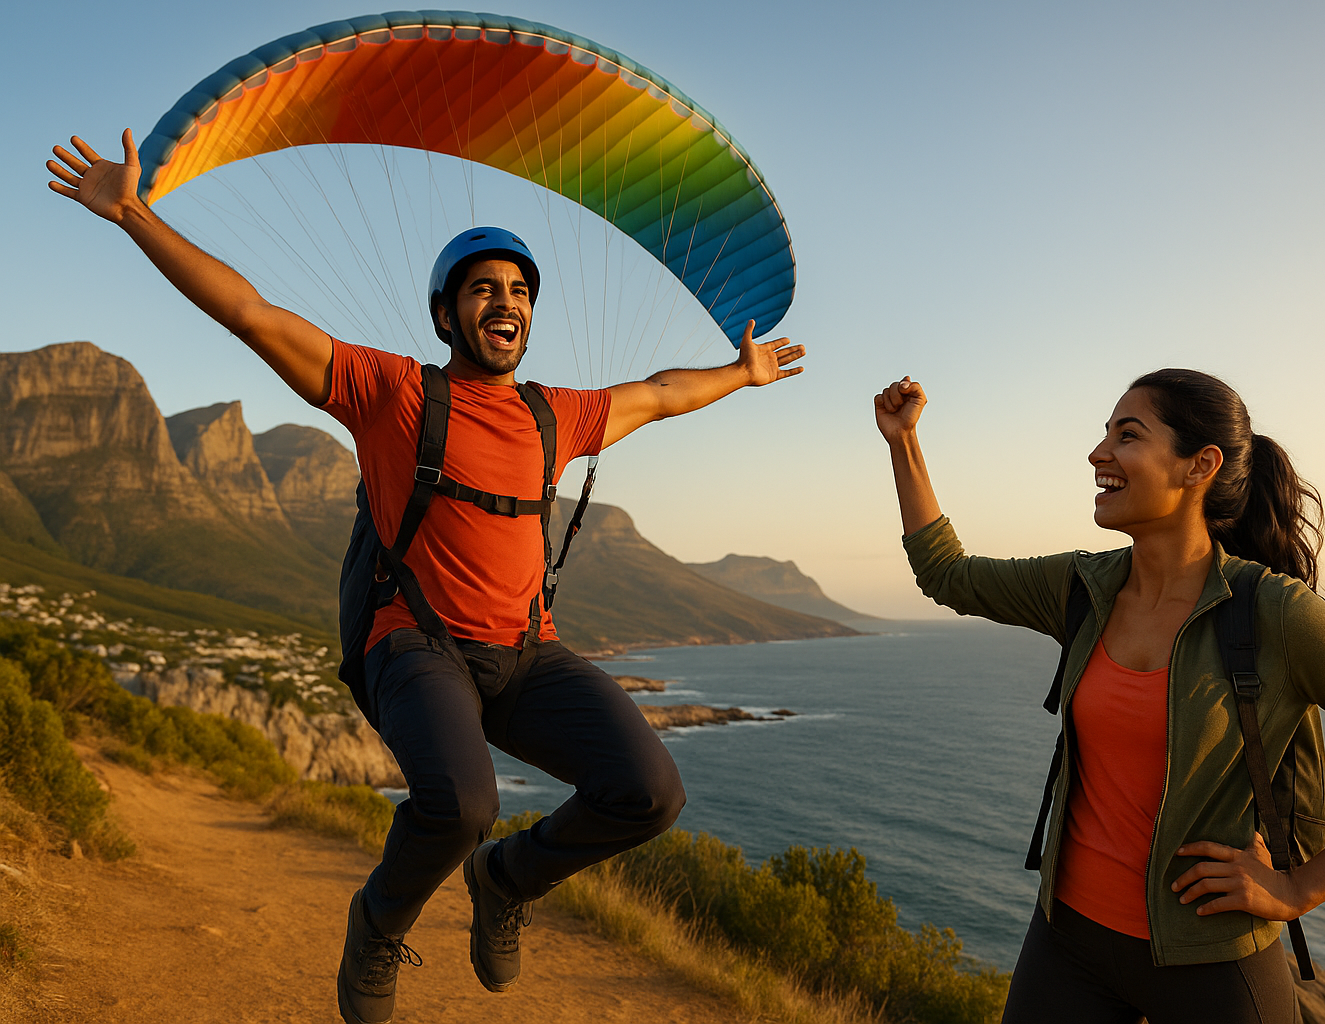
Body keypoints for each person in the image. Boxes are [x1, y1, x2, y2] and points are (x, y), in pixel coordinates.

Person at [48, 131, 806, 1024]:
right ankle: (378, 924)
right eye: (483, 288)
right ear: (446, 315)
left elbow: (661, 392)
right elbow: (253, 315)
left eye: (520, 289)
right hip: (414, 645)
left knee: (651, 793)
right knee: (460, 803)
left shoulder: (557, 414)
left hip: (527, 657)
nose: (506, 301)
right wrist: (135, 213)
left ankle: (508, 879)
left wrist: (742, 372)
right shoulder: (393, 393)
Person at [873, 370, 1325, 1024]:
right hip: (1068, 940)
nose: (1098, 453)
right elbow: (947, 575)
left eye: (1126, 435)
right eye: (1104, 434)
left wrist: (1298, 888)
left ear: (1200, 466)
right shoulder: (1082, 586)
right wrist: (904, 442)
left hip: (1214, 961)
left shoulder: (1277, 614)